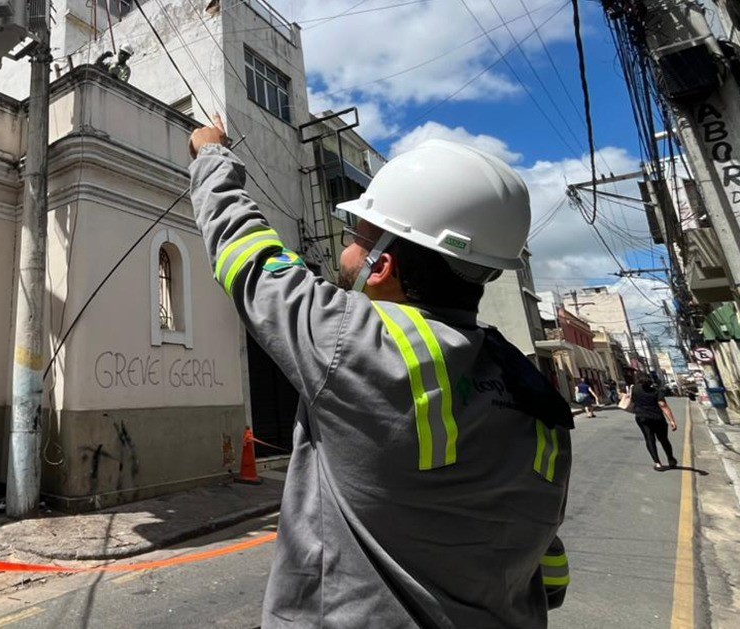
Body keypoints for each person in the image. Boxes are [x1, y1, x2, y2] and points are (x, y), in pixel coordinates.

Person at [189, 117, 574, 627]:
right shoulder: (531, 390)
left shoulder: (353, 342)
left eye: (357, 235)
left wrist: (211, 156)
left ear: (382, 265)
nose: (345, 249)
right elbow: (550, 572)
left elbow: (249, 255)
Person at [628, 373, 678, 470]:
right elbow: (663, 405)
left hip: (642, 418)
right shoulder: (656, 391)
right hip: (657, 418)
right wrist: (672, 420)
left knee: (649, 439)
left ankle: (657, 463)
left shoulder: (635, 389)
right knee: (664, 439)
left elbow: (631, 400)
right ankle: (671, 459)